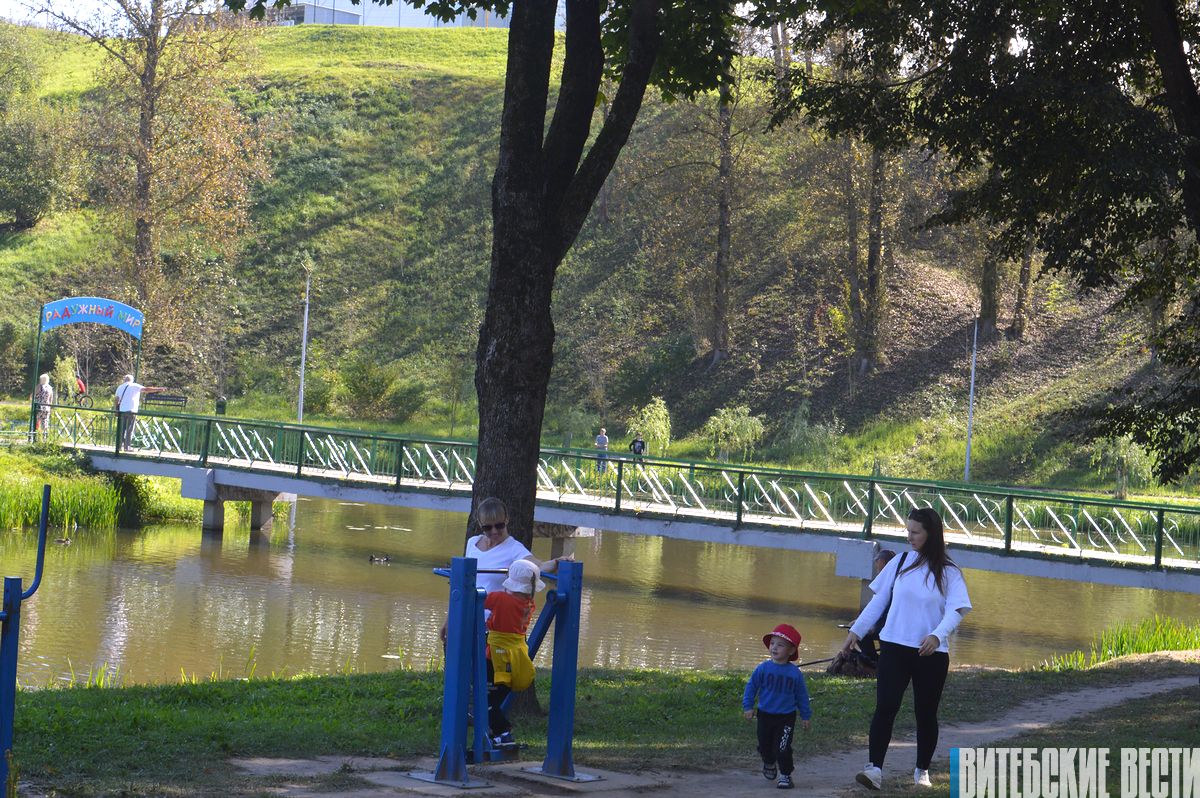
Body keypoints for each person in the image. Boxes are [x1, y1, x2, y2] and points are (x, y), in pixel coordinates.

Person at [840, 507, 971, 791]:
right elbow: (878, 602)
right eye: (907, 530)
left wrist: (937, 636)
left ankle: (921, 771)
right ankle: (874, 769)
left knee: (925, 713)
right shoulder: (899, 563)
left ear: (931, 534)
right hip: (894, 647)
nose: (909, 536)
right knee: (885, 707)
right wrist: (856, 631)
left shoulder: (948, 572)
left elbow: (957, 609)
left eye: (915, 532)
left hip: (931, 654)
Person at [440, 497, 566, 640]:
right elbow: (461, 583)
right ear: (480, 524)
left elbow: (536, 566)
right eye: (487, 527)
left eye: (499, 525)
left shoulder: (514, 548)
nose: (494, 531)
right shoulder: (472, 542)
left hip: (492, 627)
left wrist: (556, 562)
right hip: (466, 618)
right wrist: (450, 618)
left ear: (506, 520)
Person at [743, 623, 812, 790]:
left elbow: (801, 696)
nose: (774, 647)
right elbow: (751, 687)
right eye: (772, 643)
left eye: (780, 645)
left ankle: (786, 775)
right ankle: (768, 762)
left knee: (782, 747)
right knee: (765, 745)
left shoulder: (794, 673)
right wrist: (748, 706)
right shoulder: (763, 668)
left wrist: (806, 715)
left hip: (786, 717)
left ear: (790, 650)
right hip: (765, 714)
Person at [484, 558, 544, 747]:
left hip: (494, 659)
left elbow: (476, 597)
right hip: (515, 659)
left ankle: (504, 731)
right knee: (495, 698)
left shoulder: (499, 599)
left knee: (485, 701)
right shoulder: (529, 604)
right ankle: (496, 733)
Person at [113, 375, 165, 451]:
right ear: (132, 380)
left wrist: (116, 410)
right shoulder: (134, 385)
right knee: (129, 429)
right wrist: (158, 389)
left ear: (124, 380)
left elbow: (116, 399)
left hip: (122, 411)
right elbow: (146, 389)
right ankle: (127, 447)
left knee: (122, 429)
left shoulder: (120, 387)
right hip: (131, 410)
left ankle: (118, 446)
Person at [33, 374, 54, 440]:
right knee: (45, 422)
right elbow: (51, 399)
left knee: (36, 422)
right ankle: (44, 438)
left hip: (39, 407)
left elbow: (33, 395)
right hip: (47, 408)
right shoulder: (50, 388)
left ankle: (35, 437)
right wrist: (50, 408)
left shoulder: (39, 387)